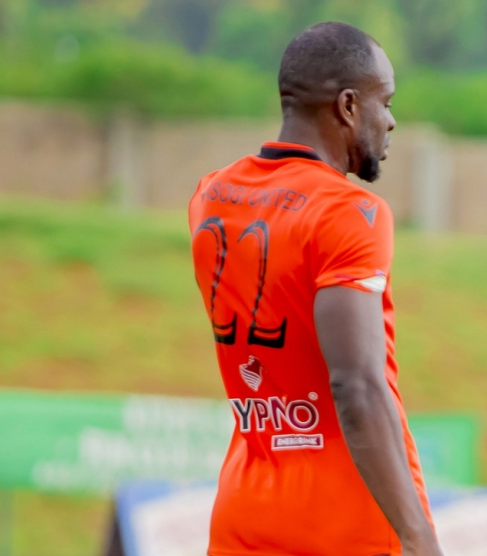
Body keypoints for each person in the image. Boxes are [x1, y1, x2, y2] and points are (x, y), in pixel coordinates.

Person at [188, 21, 441, 556]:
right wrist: (418, 536)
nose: (391, 121)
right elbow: (356, 387)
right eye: (385, 102)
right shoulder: (350, 213)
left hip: (242, 519)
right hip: (346, 525)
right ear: (348, 106)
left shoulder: (211, 195)